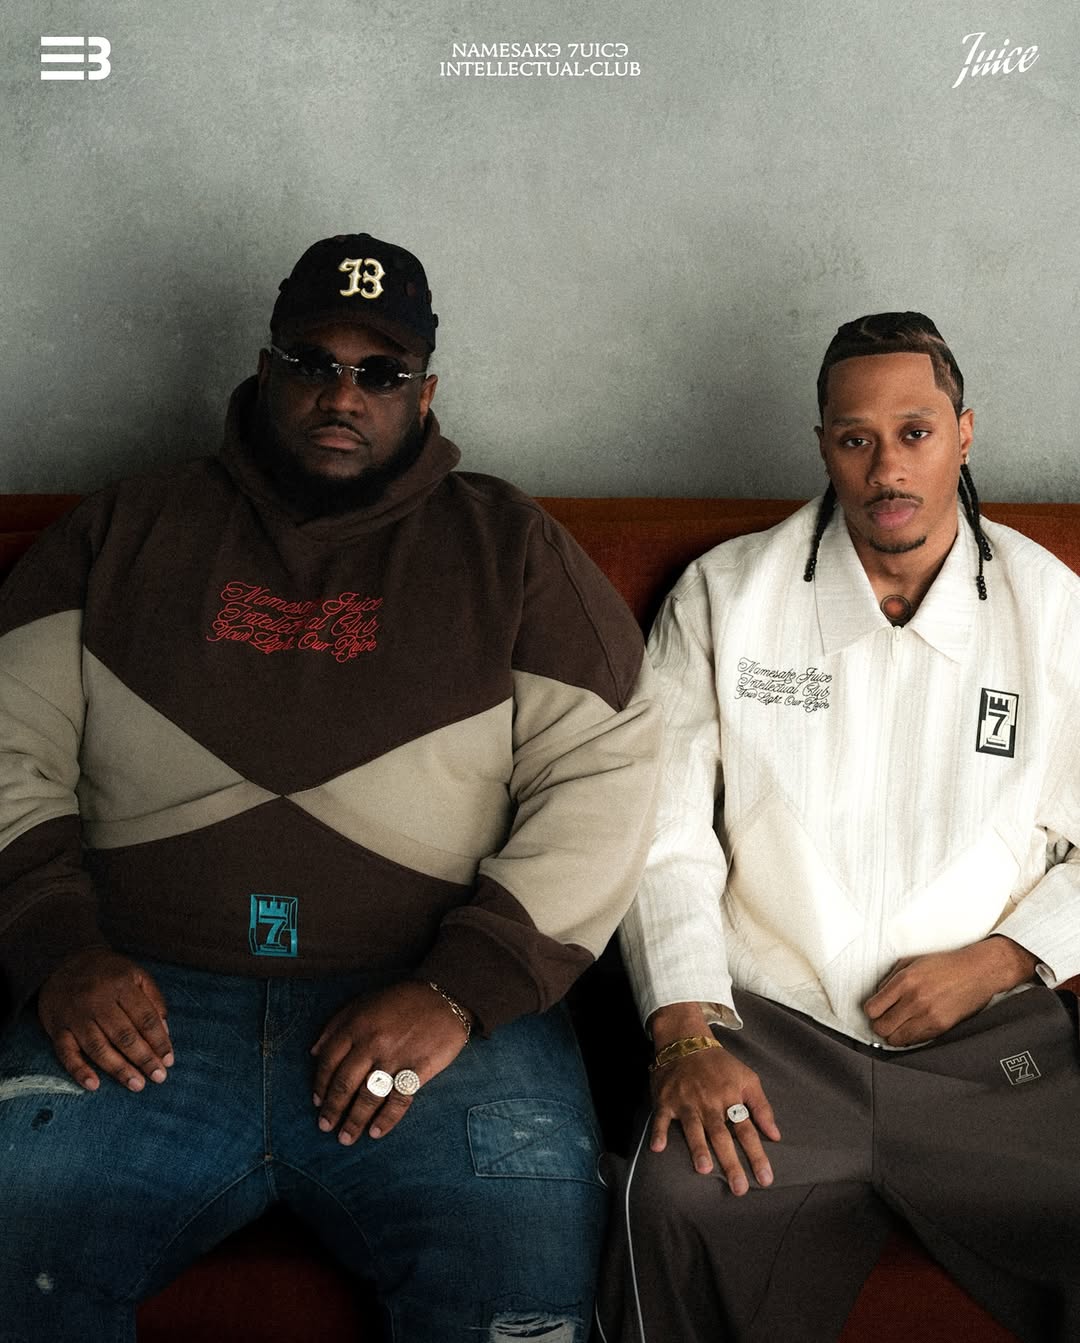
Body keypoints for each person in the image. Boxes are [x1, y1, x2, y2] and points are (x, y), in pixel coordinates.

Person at [0, 232, 662, 1342]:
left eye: (380, 371)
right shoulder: (120, 529)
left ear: (425, 392)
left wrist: (461, 989)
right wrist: (59, 947)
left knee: (523, 1267)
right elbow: (9, 744)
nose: (341, 394)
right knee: (17, 1225)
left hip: (436, 1012)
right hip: (141, 999)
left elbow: (606, 773)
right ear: (267, 370)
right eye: (312, 362)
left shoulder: (512, 546)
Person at [598, 313, 1080, 1343]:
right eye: (856, 437)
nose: (886, 467)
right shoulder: (728, 593)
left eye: (915, 433)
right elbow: (661, 832)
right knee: (674, 1200)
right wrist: (686, 1030)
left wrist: (1003, 957)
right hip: (770, 1037)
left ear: (964, 433)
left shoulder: (1053, 607)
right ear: (823, 444)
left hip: (985, 1048)